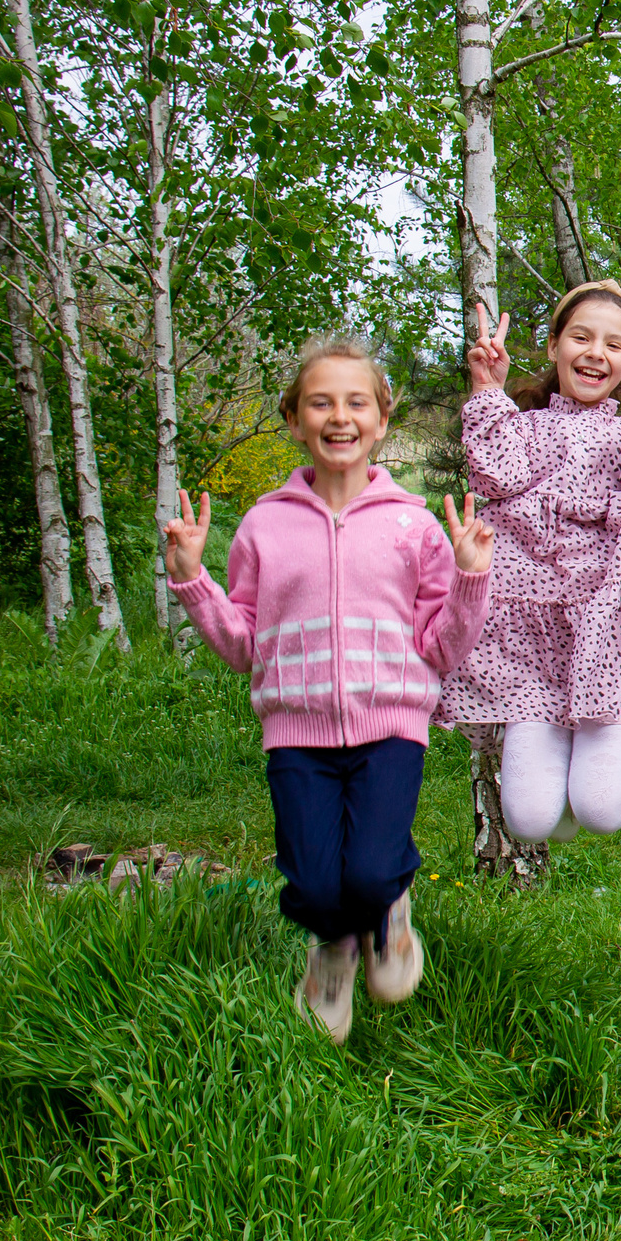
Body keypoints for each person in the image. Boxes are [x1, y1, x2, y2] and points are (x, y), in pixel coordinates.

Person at [163, 338, 494, 1043]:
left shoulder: (412, 524)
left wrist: (469, 575)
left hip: (392, 724)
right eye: (320, 402)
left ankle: (390, 915)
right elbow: (243, 644)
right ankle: (334, 950)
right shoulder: (263, 525)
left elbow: (443, 643)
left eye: (355, 402)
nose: (338, 416)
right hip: (296, 730)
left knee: (373, 871)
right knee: (314, 886)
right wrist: (193, 578)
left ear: (380, 420)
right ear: (293, 418)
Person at [443, 283, 621, 843]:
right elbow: (494, 476)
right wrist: (489, 389)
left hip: (613, 631)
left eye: (612, 344)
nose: (594, 353)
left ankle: (592, 768)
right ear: (554, 345)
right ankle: (548, 786)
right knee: (529, 820)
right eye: (580, 337)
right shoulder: (524, 428)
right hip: (531, 637)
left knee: (602, 811)